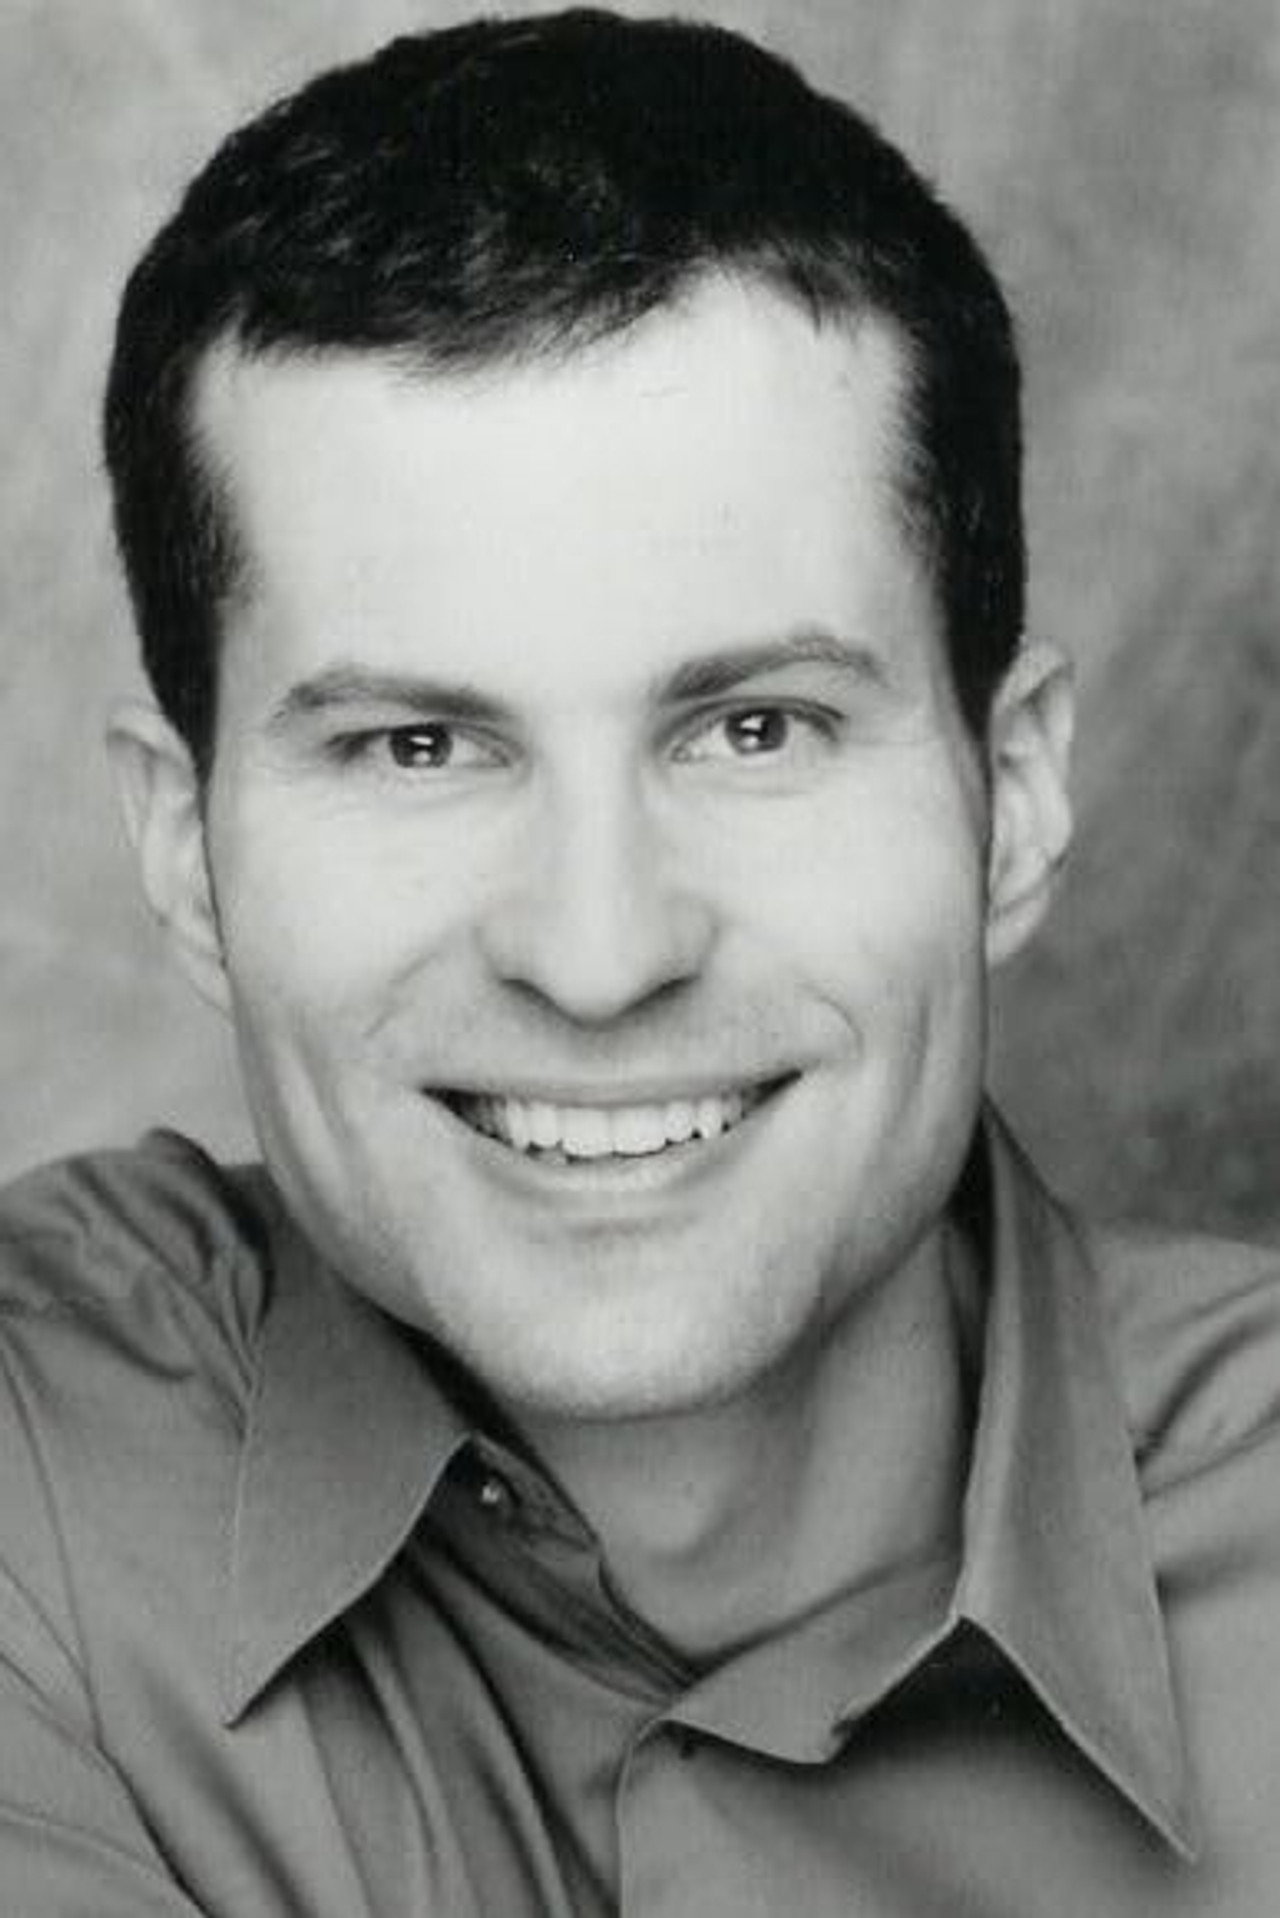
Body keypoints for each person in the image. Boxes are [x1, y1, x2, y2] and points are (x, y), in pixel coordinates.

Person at [2, 9, 1279, 1912]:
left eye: (754, 729)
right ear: (189, 856)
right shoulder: (35, 1496)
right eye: (417, 748)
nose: (599, 957)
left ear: (1010, 797)